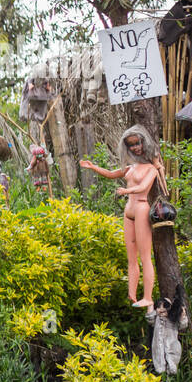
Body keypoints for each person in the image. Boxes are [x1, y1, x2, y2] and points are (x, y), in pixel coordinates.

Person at [79, 125, 162, 309]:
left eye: (137, 143)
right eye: (131, 145)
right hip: (129, 210)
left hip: (141, 207)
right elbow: (111, 174)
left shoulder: (152, 168)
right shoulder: (130, 168)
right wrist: (93, 167)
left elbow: (142, 188)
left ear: (144, 142)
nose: (135, 148)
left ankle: (147, 296)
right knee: (131, 256)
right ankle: (132, 293)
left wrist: (127, 190)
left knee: (145, 256)